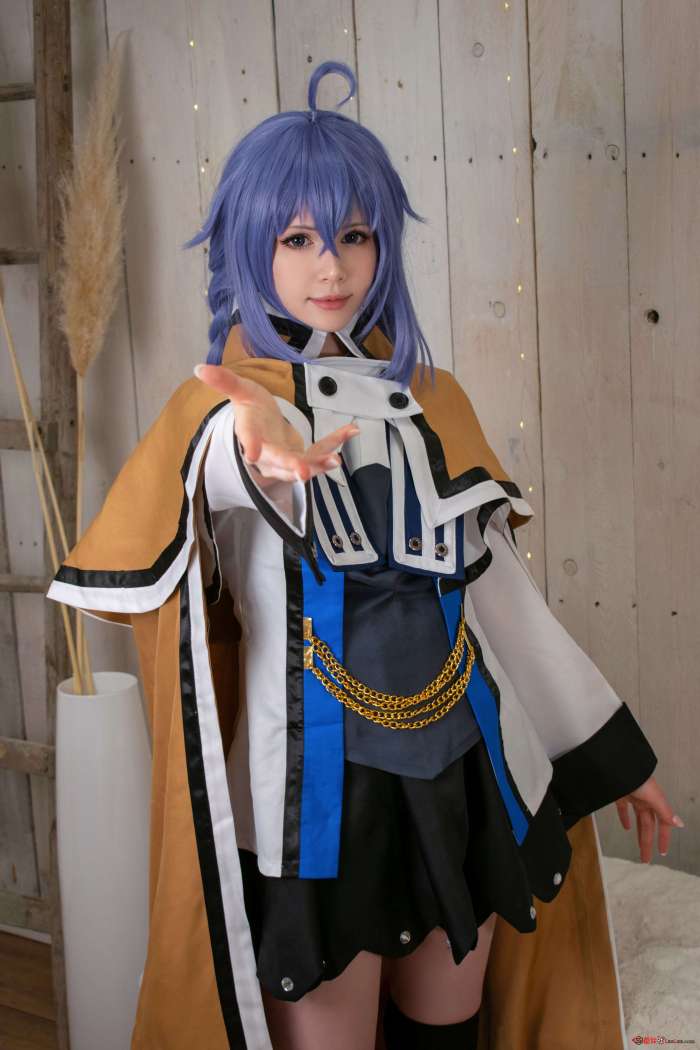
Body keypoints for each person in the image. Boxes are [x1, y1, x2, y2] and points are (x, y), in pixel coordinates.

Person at [47, 60, 681, 1050]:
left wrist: (615, 757)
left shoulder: (434, 399)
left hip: (464, 776)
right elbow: (205, 480)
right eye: (296, 239)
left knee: (448, 1033)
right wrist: (250, 444)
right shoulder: (222, 412)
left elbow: (504, 604)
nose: (330, 266)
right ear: (251, 245)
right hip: (313, 805)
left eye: (352, 234)